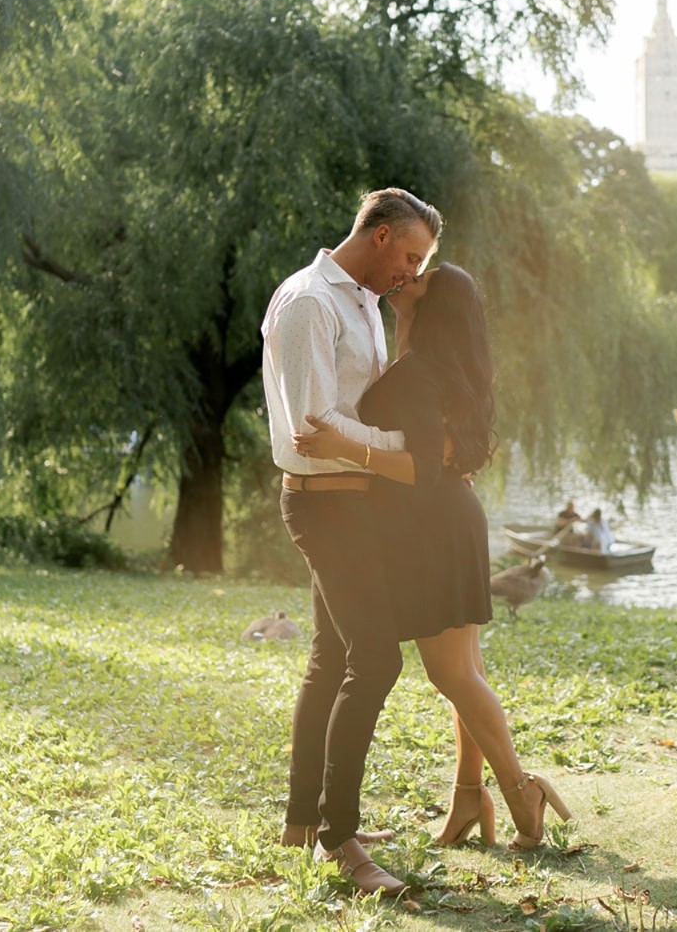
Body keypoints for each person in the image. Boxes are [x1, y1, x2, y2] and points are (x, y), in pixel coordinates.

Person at [295, 262, 571, 854]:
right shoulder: (435, 368)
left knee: (452, 674)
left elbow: (419, 467)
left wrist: (345, 446)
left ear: (433, 306)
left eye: (418, 279)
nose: (404, 280)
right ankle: (468, 796)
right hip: (448, 519)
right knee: (463, 673)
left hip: (433, 525)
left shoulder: (419, 373)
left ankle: (522, 789)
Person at [260, 187, 441, 895]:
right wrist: (412, 448)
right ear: (381, 234)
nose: (413, 272)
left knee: (332, 655)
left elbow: (352, 411)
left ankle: (306, 820)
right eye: (410, 256)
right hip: (322, 503)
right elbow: (315, 424)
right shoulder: (310, 301)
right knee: (376, 659)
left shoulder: (362, 299)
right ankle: (342, 838)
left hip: (354, 503)